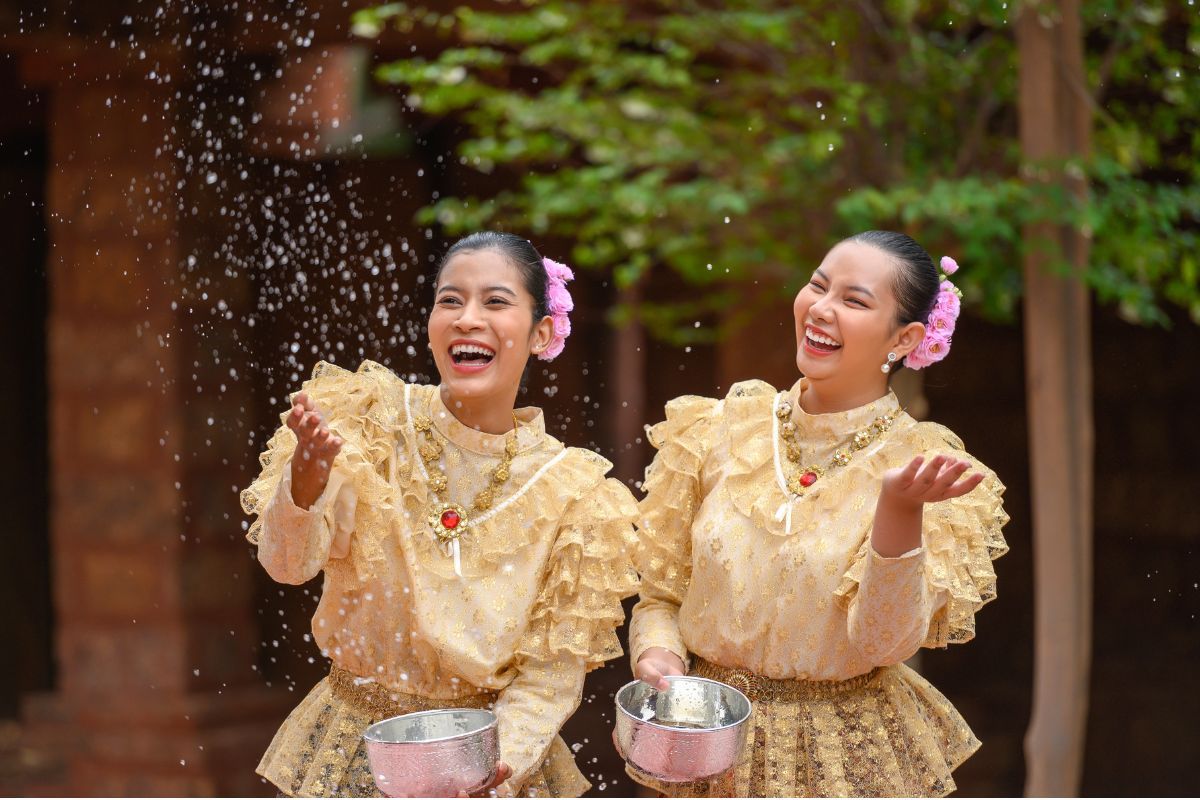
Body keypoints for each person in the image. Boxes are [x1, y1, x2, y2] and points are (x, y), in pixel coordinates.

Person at [242, 231, 639, 797]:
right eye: (450, 300)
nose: (467, 318)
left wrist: (495, 767)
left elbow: (550, 677)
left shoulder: (575, 493)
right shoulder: (369, 422)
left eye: (495, 302)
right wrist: (304, 480)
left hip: (490, 765)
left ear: (542, 332)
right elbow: (286, 565)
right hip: (357, 750)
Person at [625, 231, 1009, 797]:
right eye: (818, 286)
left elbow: (884, 643)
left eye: (854, 301)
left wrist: (899, 512)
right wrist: (657, 652)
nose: (821, 309)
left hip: (844, 759)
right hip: (703, 744)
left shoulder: (931, 472)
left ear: (903, 338)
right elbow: (661, 594)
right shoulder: (717, 431)